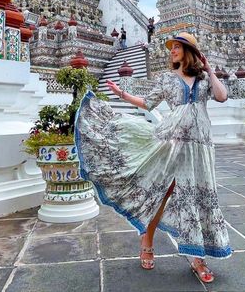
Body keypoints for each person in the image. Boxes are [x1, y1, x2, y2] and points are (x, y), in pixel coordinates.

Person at [74, 32, 231, 283]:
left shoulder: (203, 79)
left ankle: (197, 257)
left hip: (200, 146)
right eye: (172, 48)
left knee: (199, 195)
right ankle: (147, 239)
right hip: (171, 141)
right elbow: (148, 103)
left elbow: (222, 96)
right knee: (162, 192)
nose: (172, 51)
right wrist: (122, 95)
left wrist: (210, 68)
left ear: (190, 52)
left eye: (178, 47)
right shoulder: (167, 79)